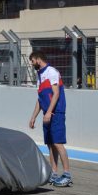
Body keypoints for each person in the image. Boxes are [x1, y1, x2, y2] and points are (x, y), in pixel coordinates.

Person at [28, 51, 72, 187]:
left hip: (56, 112)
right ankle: (54, 173)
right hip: (47, 113)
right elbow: (40, 99)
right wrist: (33, 117)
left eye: (32, 61)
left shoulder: (51, 72)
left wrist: (49, 112)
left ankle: (67, 175)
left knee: (58, 143)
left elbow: (56, 93)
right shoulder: (39, 75)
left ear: (38, 59)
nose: (31, 64)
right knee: (50, 144)